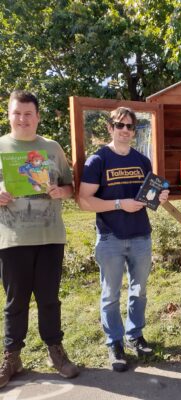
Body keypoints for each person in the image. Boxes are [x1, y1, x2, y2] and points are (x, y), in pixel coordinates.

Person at [78, 107, 169, 372]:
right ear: (110, 128)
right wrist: (119, 204)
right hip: (110, 237)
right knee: (110, 295)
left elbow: (148, 199)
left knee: (139, 292)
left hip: (141, 235)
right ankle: (114, 343)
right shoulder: (98, 160)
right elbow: (84, 201)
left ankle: (135, 336)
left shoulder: (142, 161)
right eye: (120, 125)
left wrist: (160, 198)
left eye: (131, 126)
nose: (126, 131)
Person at [0, 90, 79, 388]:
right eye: (17, 113)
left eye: (28, 113)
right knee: (15, 302)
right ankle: (12, 356)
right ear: (9, 114)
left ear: (38, 117)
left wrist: (62, 192)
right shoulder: (0, 147)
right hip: (12, 239)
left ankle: (55, 351)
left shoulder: (52, 148)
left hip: (50, 237)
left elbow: (70, 187)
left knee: (49, 299)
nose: (22, 119)